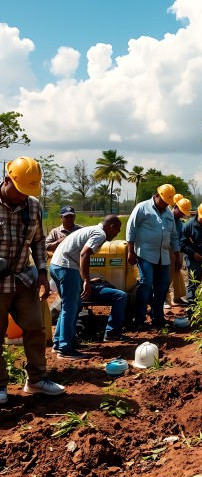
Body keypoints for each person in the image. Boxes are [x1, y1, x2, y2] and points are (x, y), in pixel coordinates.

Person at [0, 157, 65, 402]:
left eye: (28, 192)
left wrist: (41, 271)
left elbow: (39, 240)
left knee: (36, 329)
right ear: (7, 180)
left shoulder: (33, 206)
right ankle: (0, 385)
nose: (22, 197)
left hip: (23, 280)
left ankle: (36, 379)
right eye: (19, 191)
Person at [50, 215, 122, 358]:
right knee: (70, 307)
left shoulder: (93, 230)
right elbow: (84, 254)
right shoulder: (100, 234)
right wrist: (86, 281)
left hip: (58, 265)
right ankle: (64, 349)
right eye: (118, 230)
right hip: (66, 267)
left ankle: (60, 342)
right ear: (111, 226)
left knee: (74, 305)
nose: (117, 233)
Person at [126, 184, 181, 329]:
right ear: (157, 196)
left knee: (162, 287)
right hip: (145, 253)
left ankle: (158, 317)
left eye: (168, 203)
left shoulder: (168, 213)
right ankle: (139, 319)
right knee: (145, 285)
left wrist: (177, 255)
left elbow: (174, 236)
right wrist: (130, 251)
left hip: (163, 255)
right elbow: (131, 229)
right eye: (164, 202)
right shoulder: (142, 208)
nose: (165, 205)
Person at [166, 197, 191, 307]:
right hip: (167, 250)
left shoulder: (179, 223)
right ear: (175, 207)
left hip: (177, 250)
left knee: (176, 272)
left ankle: (177, 297)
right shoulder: (166, 217)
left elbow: (181, 237)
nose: (181, 214)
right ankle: (165, 300)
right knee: (166, 276)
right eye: (180, 212)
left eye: (183, 213)